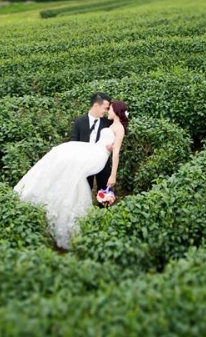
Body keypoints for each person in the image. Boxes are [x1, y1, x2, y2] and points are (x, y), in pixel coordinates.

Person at [14, 100, 129, 249]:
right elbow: (108, 143)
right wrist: (107, 145)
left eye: (111, 109)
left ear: (117, 111)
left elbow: (116, 153)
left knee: (68, 155)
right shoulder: (111, 125)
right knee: (65, 155)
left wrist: (113, 175)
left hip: (99, 156)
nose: (108, 112)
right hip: (96, 150)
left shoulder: (119, 128)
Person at [70, 92, 113, 194]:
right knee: (83, 191)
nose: (106, 111)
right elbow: (74, 142)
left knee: (104, 190)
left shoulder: (108, 122)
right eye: (105, 108)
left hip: (103, 163)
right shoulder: (79, 122)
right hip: (84, 163)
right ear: (96, 105)